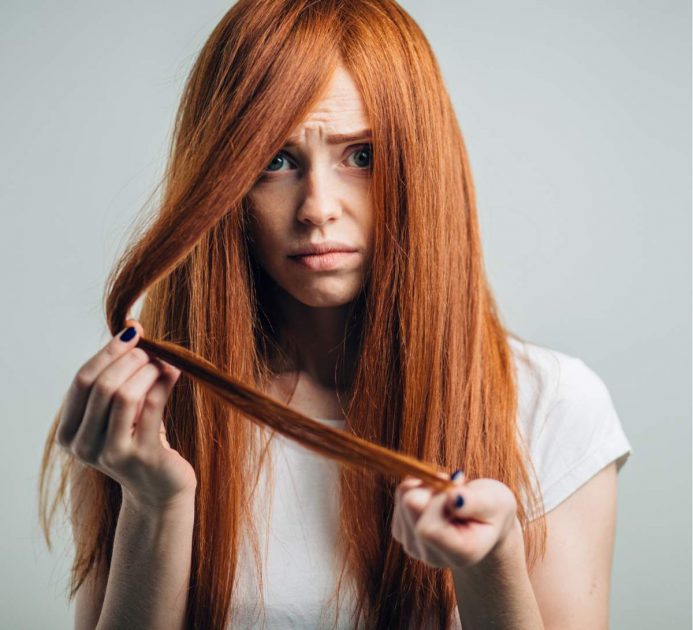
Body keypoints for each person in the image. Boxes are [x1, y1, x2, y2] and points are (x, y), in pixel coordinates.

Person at [39, 1, 633, 629]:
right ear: (220, 182)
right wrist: (154, 503)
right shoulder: (133, 422)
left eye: (362, 156)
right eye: (274, 161)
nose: (318, 208)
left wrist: (494, 567)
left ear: (420, 168)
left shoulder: (554, 406)